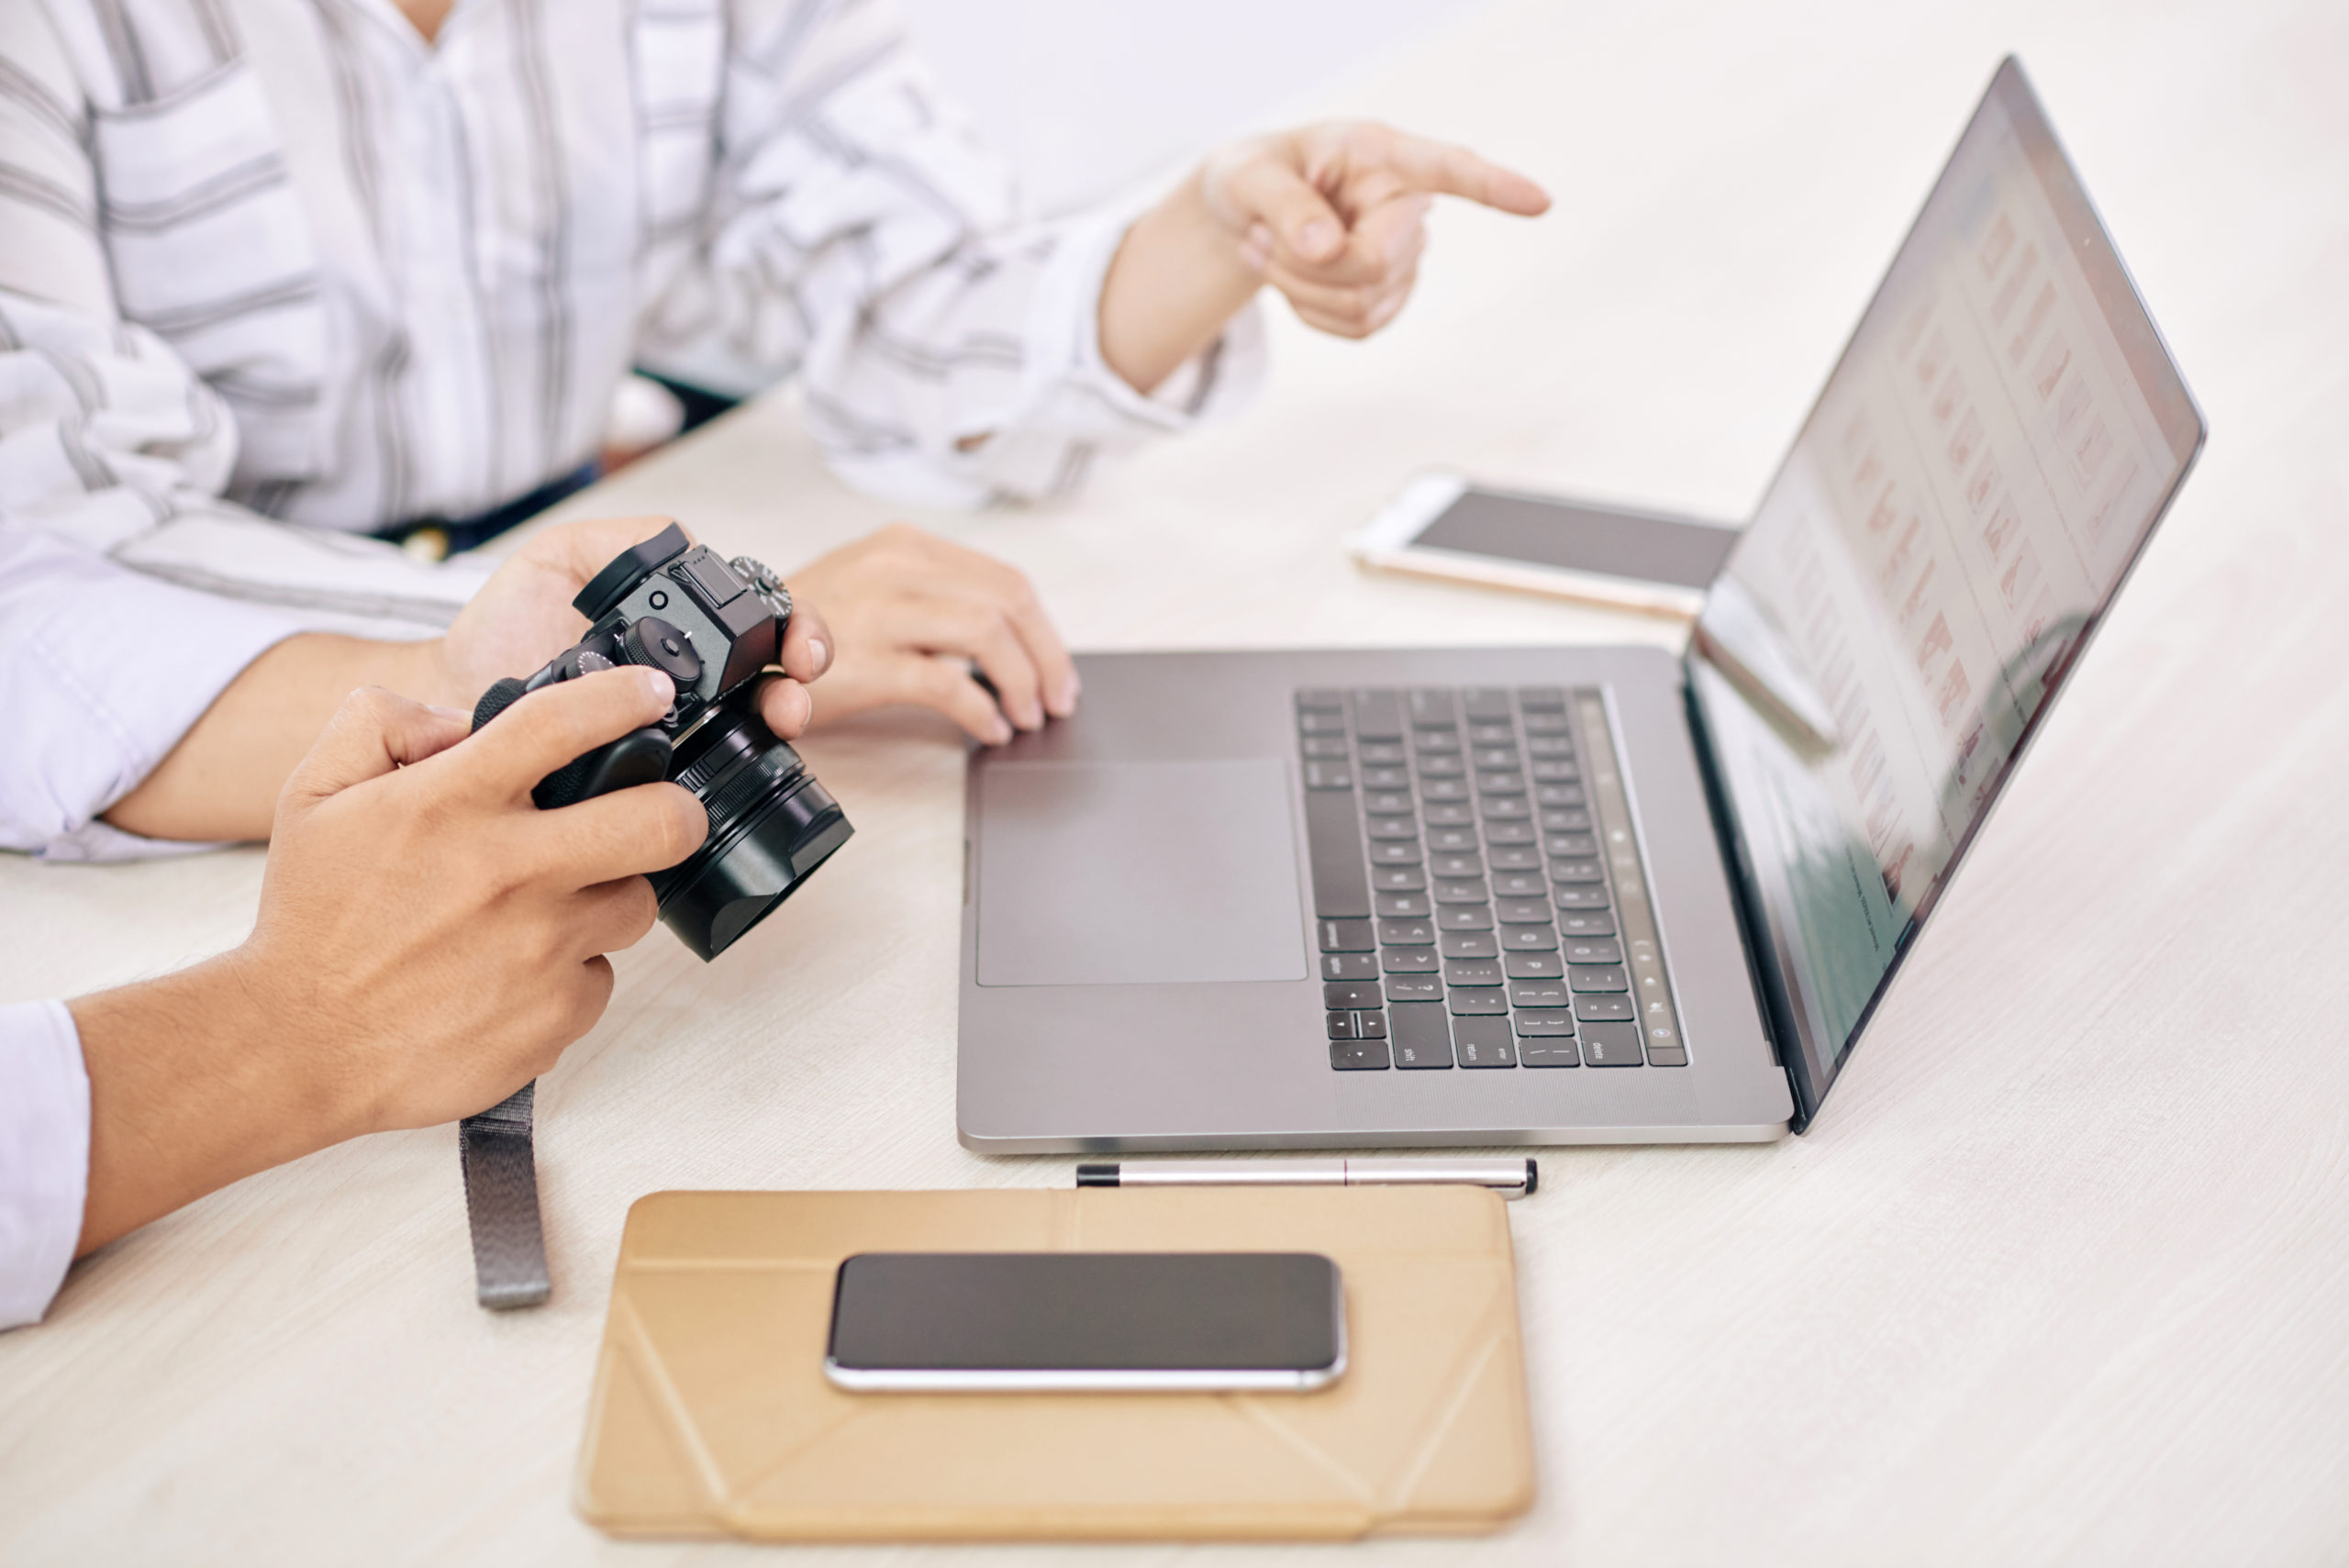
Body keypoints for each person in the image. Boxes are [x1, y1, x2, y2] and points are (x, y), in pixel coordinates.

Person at [0, 0, 1551, 1326]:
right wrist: (522, 658)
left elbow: (921, 297)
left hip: (517, 657)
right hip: (196, 762)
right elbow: (35, 579)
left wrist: (1214, 231)